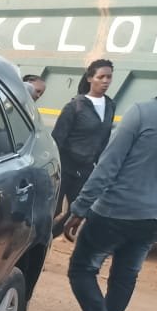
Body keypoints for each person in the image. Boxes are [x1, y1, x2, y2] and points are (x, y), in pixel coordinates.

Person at [64, 52, 157, 311]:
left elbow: (108, 166)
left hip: (114, 211)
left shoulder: (142, 112)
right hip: (154, 218)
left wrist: (79, 207)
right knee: (125, 277)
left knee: (81, 269)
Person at [52, 59, 116, 230]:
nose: (105, 81)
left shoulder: (110, 105)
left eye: (109, 77)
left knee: (79, 210)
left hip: (87, 169)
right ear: (89, 78)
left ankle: (50, 236)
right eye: (101, 77)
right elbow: (57, 139)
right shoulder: (75, 106)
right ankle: (37, 243)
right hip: (65, 168)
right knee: (53, 209)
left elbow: (105, 138)